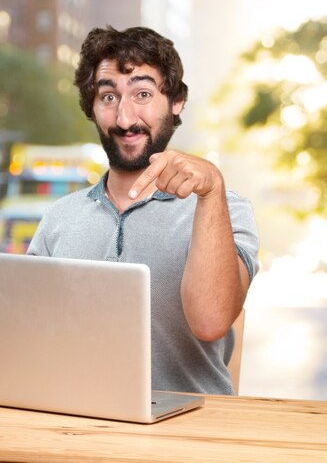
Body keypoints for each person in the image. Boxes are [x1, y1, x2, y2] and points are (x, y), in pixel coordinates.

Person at [26, 26, 260, 395]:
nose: (124, 118)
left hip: (191, 434)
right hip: (79, 424)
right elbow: (28, 335)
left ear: (176, 102)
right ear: (92, 107)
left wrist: (211, 187)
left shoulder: (224, 208)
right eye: (108, 96)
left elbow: (211, 321)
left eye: (143, 93)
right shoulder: (60, 217)